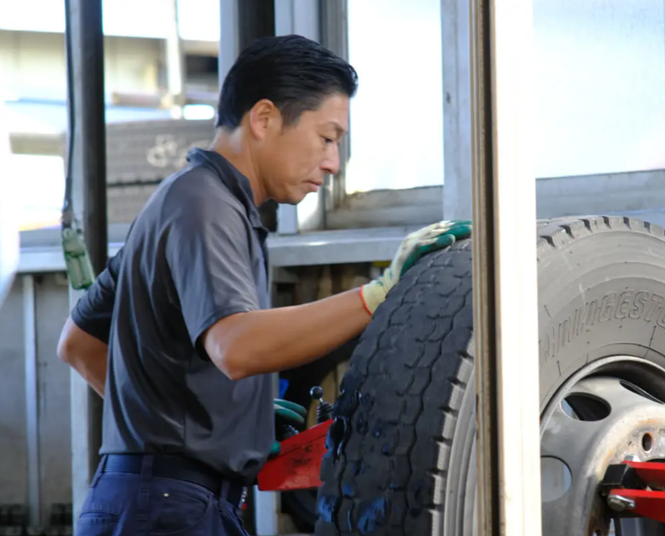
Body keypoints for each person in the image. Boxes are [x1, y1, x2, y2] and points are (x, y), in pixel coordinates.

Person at [56, 34, 471, 536]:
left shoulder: (178, 204)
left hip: (146, 499)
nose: (333, 162)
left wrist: (211, 425)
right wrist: (378, 294)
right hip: (170, 509)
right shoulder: (207, 208)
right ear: (264, 118)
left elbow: (79, 344)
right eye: (326, 137)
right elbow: (236, 345)